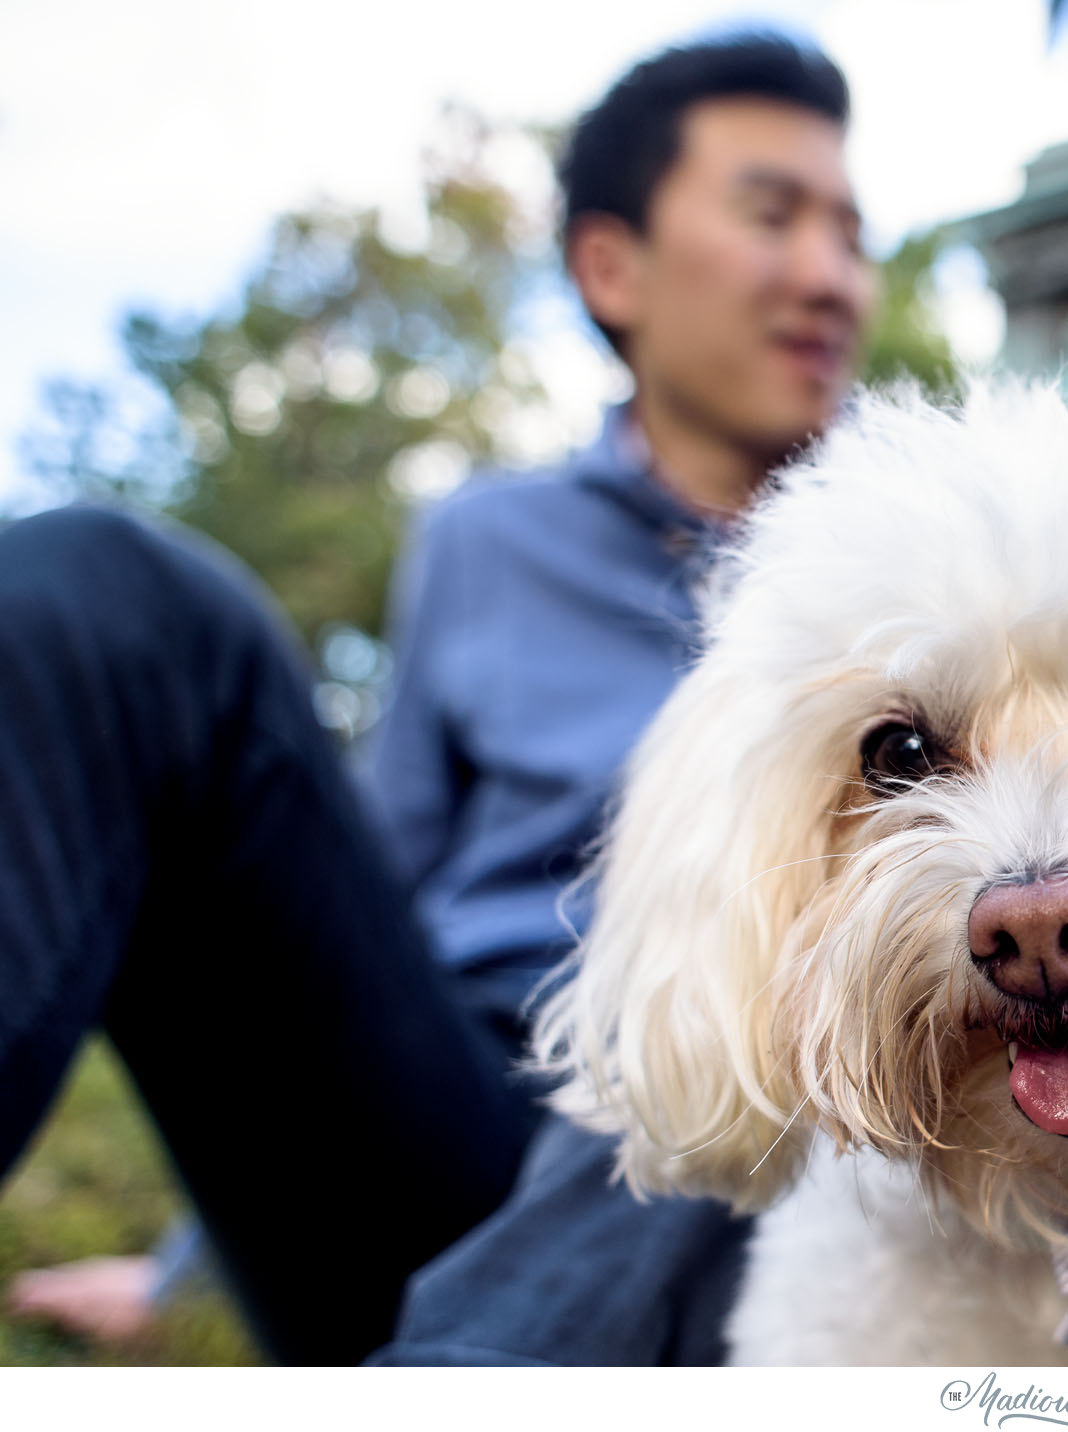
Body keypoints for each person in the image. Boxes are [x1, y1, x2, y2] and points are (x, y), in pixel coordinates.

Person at [0, 32, 870, 1364]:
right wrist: (192, 1255)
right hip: (454, 1126)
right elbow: (367, 877)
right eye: (774, 216)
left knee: (728, 1008)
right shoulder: (481, 542)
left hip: (750, 1152)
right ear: (609, 267)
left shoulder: (915, 565)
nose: (829, 277)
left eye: (852, 235)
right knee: (112, 595)